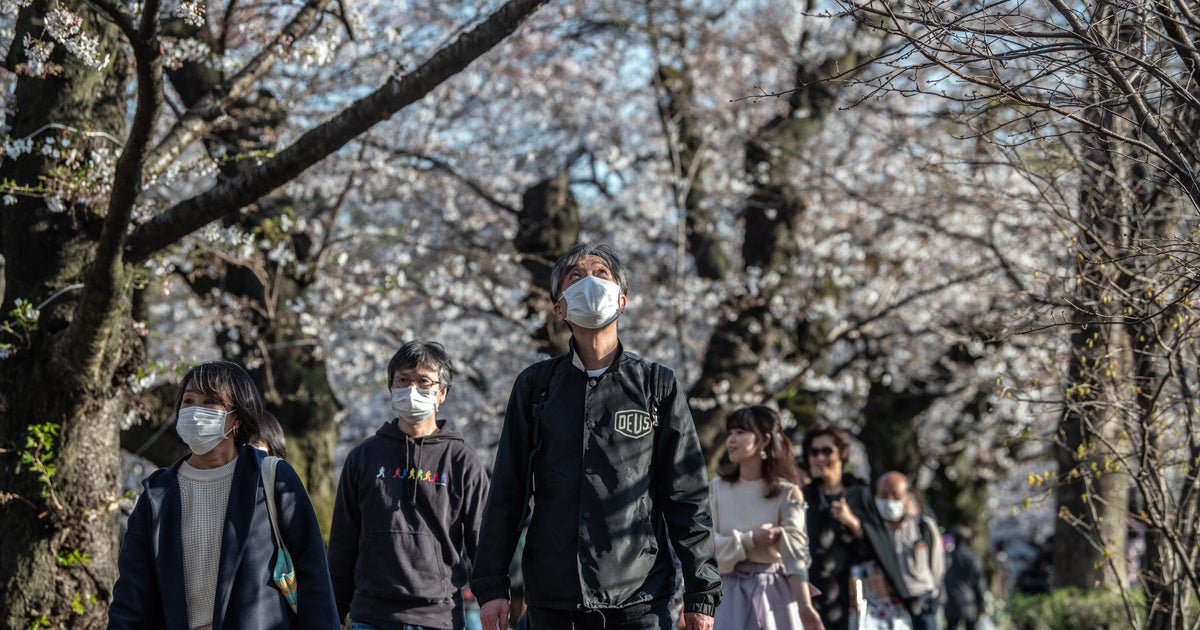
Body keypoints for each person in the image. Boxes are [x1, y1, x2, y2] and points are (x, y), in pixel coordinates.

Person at [471, 243, 722, 630]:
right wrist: (491, 587)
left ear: (622, 300)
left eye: (600, 273)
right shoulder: (536, 387)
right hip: (553, 598)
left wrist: (701, 592)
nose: (589, 281)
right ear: (560, 308)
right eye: (575, 276)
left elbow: (687, 496)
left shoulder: (657, 385)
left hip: (640, 597)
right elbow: (507, 491)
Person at [108, 360, 338, 629]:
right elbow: (132, 593)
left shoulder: (271, 477)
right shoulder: (158, 493)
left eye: (209, 402)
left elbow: (314, 577)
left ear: (237, 418)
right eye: (188, 401)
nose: (195, 411)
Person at [327, 341, 490, 630]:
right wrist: (333, 611)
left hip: (439, 618)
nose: (412, 389)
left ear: (442, 393)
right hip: (371, 616)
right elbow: (342, 542)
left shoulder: (462, 462)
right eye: (403, 380)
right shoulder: (363, 458)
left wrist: (492, 598)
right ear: (391, 387)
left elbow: (484, 542)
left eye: (424, 381)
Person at [710, 406, 823, 630]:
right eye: (731, 432)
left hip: (775, 594)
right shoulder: (717, 488)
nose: (731, 439)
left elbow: (796, 556)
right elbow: (706, 548)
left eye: (741, 432)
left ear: (764, 440)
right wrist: (749, 540)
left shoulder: (787, 492)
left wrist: (804, 605)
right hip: (728, 593)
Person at [800, 423, 874, 630]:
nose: (820, 458)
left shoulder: (859, 493)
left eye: (827, 451)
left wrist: (851, 521)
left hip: (851, 591)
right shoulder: (805, 495)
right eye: (814, 452)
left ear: (841, 453)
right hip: (812, 589)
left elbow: (877, 545)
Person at [863, 472, 945, 630]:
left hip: (921, 600)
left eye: (895, 495)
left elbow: (937, 564)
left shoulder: (923, 526)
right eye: (883, 495)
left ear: (907, 496)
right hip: (887, 603)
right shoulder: (873, 530)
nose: (889, 501)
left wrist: (932, 592)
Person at [943, 526, 988, 630]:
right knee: (971, 626)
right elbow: (980, 582)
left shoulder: (948, 557)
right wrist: (982, 604)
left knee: (952, 626)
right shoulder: (973, 558)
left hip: (951, 599)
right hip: (969, 600)